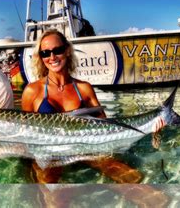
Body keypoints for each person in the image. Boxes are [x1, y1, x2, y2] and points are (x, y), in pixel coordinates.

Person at [21, 29, 142, 184]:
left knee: (135, 180)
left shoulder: (84, 88)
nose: (52, 57)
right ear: (41, 57)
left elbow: (105, 128)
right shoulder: (32, 91)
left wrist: (150, 129)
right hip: (50, 155)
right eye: (45, 53)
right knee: (55, 200)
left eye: (57, 50)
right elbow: (25, 135)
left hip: (86, 151)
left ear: (67, 51)